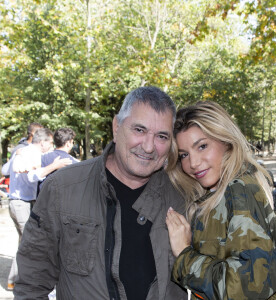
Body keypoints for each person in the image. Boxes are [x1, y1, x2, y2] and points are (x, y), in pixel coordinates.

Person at [14, 86, 187, 300]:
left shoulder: (182, 198)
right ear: (116, 127)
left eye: (162, 136)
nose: (149, 146)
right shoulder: (63, 188)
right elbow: (31, 283)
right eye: (139, 130)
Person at [165, 101, 276, 299]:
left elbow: (248, 285)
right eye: (184, 155)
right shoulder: (216, 193)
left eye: (202, 146)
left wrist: (184, 256)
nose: (193, 163)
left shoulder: (238, 190)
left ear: (226, 141)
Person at [1, 128, 72, 290]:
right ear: (43, 142)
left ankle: (14, 280)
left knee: (24, 242)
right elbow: (30, 175)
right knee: (30, 244)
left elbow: (6, 170)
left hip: (18, 201)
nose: (52, 146)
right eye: (51, 143)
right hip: (21, 202)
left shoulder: (21, 151)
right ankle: (23, 282)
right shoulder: (30, 153)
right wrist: (54, 165)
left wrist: (15, 158)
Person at [35, 127, 79, 194]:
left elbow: (32, 176)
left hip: (44, 200)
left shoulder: (42, 158)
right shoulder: (75, 163)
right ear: (68, 143)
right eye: (72, 142)